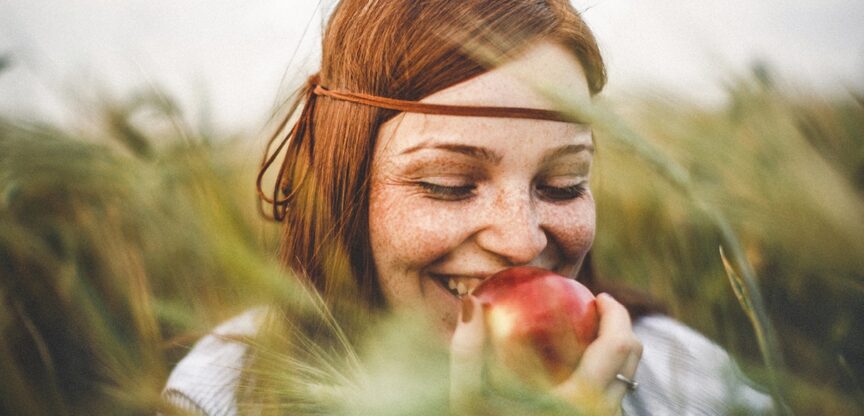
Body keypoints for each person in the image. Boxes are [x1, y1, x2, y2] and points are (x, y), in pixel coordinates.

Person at [163, 1, 774, 414]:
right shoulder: (229, 391)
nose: (521, 240)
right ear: (344, 185)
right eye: (450, 184)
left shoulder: (687, 379)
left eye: (562, 183)